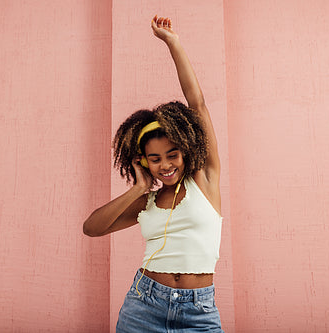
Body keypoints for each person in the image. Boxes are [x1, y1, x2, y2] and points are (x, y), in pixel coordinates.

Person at [83, 15, 224, 332]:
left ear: (186, 149)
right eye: (156, 158)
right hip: (143, 306)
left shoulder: (205, 179)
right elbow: (91, 228)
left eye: (172, 155)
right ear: (144, 161)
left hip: (199, 311)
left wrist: (173, 43)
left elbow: (198, 104)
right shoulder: (147, 201)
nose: (167, 164)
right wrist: (137, 189)